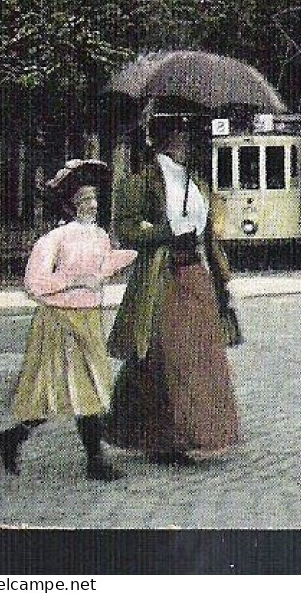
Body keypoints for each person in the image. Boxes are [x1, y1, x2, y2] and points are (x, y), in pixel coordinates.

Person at [105, 111, 241, 463]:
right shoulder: (143, 178)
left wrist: (221, 275)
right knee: (170, 355)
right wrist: (165, 233)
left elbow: (208, 232)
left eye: (187, 134)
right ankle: (170, 437)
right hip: (163, 274)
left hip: (198, 274)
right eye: (179, 134)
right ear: (163, 138)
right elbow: (126, 228)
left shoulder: (196, 180)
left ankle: (196, 433)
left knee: (203, 355)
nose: (185, 141)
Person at [0, 159, 137, 481]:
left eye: (95, 198)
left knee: (94, 389)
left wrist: (128, 256)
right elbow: (35, 283)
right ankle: (21, 440)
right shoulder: (54, 239)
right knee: (55, 390)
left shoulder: (100, 235)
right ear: (70, 204)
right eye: (85, 200)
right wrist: (74, 279)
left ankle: (88, 459)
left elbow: (103, 265)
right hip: (59, 319)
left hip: (89, 318)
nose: (93, 205)